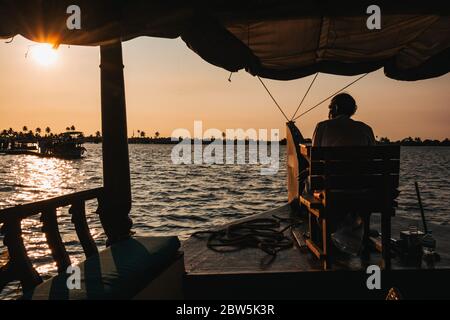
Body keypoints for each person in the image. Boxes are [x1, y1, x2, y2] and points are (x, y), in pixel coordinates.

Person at [311, 93, 376, 256]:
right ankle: (355, 234)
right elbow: (373, 163)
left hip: (333, 192)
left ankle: (319, 236)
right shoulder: (366, 129)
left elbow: (315, 161)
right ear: (353, 110)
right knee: (348, 190)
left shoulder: (322, 126)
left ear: (336, 108)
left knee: (309, 183)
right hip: (363, 192)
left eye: (330, 107)